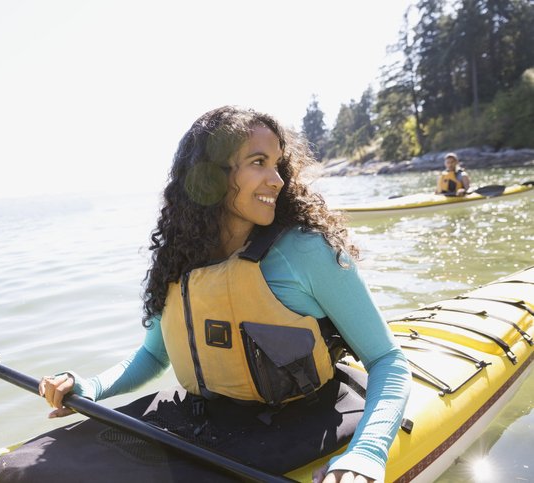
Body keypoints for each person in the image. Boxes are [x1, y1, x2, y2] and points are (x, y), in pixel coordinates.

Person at [36, 106, 411, 483]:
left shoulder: (306, 251)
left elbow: (387, 360)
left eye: (277, 164)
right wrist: (90, 388)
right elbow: (154, 354)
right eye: (258, 162)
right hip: (204, 420)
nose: (277, 180)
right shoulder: (180, 259)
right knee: (28, 468)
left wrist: (366, 454)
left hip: (299, 422)